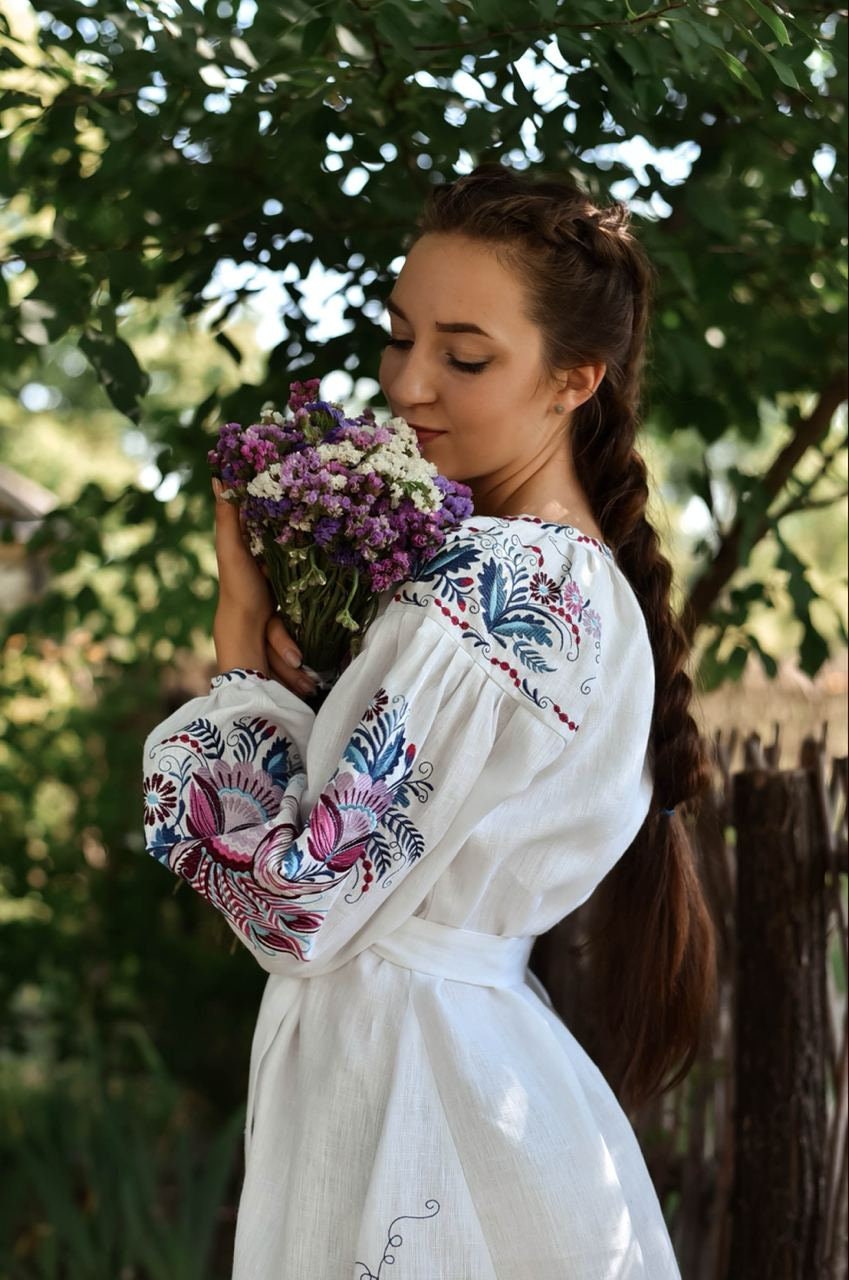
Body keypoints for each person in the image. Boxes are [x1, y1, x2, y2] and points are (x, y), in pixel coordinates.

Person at [142, 163, 717, 1278]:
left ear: (575, 379)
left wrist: (238, 633)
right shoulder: (574, 580)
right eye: (399, 336)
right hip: (459, 1063)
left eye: (465, 356)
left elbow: (302, 901)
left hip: (416, 1087)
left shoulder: (493, 583)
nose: (407, 384)